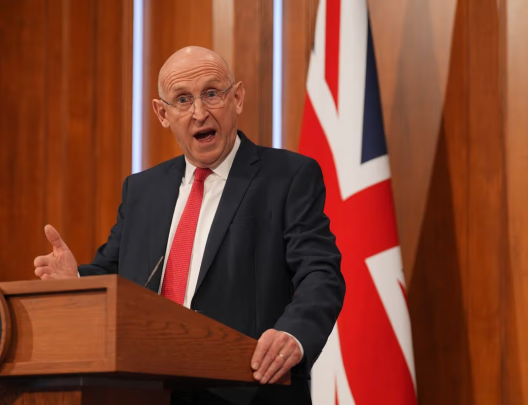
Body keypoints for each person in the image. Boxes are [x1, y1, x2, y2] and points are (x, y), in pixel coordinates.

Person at [33, 46, 345, 405]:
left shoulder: (287, 177)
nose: (199, 112)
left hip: (249, 390)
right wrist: (75, 280)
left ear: (237, 98)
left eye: (212, 93)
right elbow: (115, 276)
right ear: (162, 113)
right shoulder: (141, 191)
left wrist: (294, 334)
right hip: (147, 391)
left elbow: (320, 273)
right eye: (182, 99)